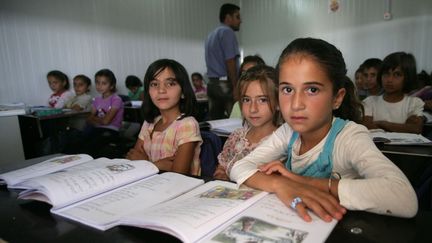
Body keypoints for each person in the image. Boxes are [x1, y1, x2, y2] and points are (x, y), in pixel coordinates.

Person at [229, 38, 418, 223]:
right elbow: (238, 166)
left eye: (312, 89)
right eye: (287, 89)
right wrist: (280, 184)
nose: (295, 104)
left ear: (337, 98)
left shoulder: (349, 136)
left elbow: (404, 198)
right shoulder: (287, 132)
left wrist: (301, 182)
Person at [126, 59, 202, 176]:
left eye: (170, 84)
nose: (161, 90)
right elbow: (133, 158)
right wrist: (157, 165)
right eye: (154, 84)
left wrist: (146, 163)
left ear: (183, 92)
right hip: (149, 185)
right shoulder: (149, 123)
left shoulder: (187, 124)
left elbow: (178, 174)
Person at [213, 65, 280, 180]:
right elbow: (222, 168)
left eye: (262, 100)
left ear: (279, 103)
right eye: (246, 100)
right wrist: (221, 174)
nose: (253, 109)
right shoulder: (236, 137)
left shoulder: (283, 143)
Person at [362, 52, 424, 134]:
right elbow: (367, 126)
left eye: (397, 74)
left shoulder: (414, 103)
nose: (389, 80)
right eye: (386, 74)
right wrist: (402, 127)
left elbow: (415, 128)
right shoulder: (370, 101)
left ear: (408, 77)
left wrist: (383, 123)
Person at [205, 3, 241, 119]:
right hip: (225, 84)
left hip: (212, 84)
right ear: (228, 17)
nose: (240, 21)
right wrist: (236, 86)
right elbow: (230, 60)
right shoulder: (227, 32)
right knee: (235, 120)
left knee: (216, 121)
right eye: (237, 17)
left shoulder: (211, 35)